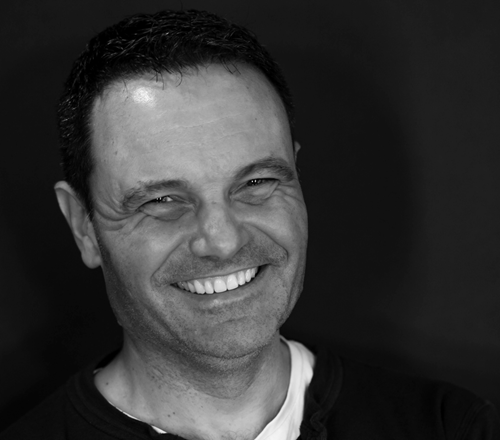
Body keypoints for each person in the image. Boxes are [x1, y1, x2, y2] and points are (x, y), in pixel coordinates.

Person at [1, 9, 499, 440]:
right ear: (83, 225)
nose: (222, 240)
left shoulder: (449, 427)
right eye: (163, 200)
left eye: (256, 182)